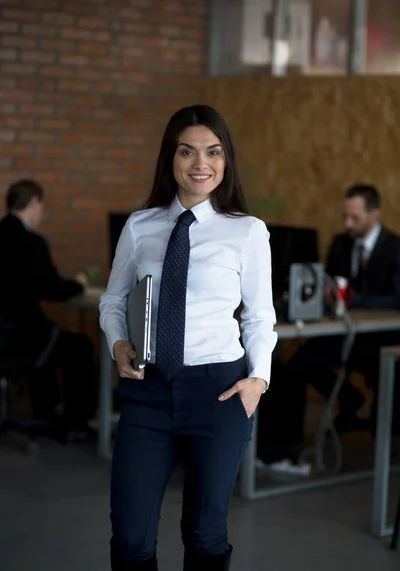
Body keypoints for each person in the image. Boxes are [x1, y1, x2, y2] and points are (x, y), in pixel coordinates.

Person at [99, 105, 277, 570]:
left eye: (213, 152)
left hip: (218, 393)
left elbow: (259, 317)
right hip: (149, 391)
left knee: (204, 533)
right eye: (188, 151)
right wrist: (119, 343)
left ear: (226, 160)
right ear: (170, 159)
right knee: (131, 537)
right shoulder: (141, 226)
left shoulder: (248, 232)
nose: (201, 163)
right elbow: (112, 300)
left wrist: (258, 380)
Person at [258, 184, 400, 465]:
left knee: (386, 374)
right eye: (345, 216)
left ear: (374, 214)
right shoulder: (341, 243)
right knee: (296, 365)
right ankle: (288, 444)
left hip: (377, 339)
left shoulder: (395, 248)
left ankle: (382, 440)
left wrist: (358, 300)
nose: (348, 224)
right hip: (341, 333)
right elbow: (331, 282)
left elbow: (396, 297)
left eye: (355, 218)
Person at [0, 179, 97, 439]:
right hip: (21, 338)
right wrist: (78, 285)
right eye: (41, 206)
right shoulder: (31, 242)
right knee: (79, 347)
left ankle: (44, 414)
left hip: (7, 337)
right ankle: (75, 424)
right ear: (33, 202)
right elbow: (52, 289)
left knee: (50, 341)